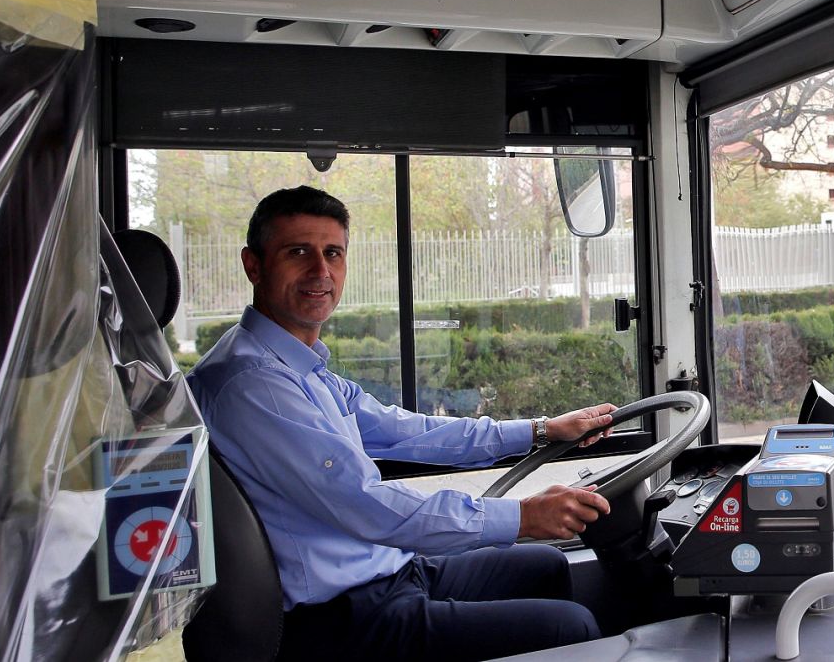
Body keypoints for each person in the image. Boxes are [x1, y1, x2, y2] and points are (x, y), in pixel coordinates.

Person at [187, 185, 618, 661]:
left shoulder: (295, 364)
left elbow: (406, 430)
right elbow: (367, 504)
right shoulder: (253, 383)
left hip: (386, 572)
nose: (321, 271)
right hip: (340, 617)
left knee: (547, 568)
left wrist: (541, 431)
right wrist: (522, 516)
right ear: (254, 265)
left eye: (333, 253)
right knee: (570, 627)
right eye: (298, 252)